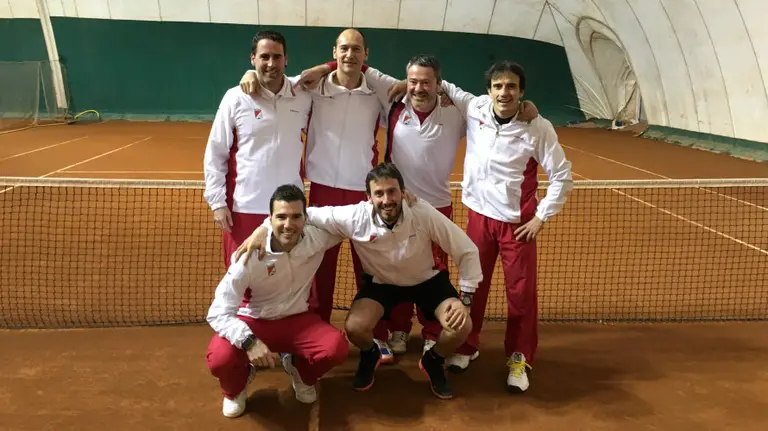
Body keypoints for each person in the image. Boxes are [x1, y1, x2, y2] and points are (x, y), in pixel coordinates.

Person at [331, 55, 538, 355]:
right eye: (413, 81)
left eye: (426, 82)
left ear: (439, 84)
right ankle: (399, 330)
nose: (418, 88)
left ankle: (431, 331)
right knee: (395, 268)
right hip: (396, 206)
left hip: (438, 206)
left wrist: (525, 106)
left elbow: (495, 108)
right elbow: (357, 62)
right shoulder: (394, 104)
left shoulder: (457, 112)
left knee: (431, 273)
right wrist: (324, 67)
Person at [235, 163, 482, 400]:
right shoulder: (355, 216)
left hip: (426, 280)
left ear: (403, 192)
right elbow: (303, 215)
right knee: (355, 327)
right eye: (379, 193)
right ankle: (370, 353)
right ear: (369, 197)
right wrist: (265, 227)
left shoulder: (423, 213)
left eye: (392, 191)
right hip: (381, 283)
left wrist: (466, 299)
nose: (387, 200)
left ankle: (434, 360)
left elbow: (467, 250)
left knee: (461, 326)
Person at [237, 28, 397, 362]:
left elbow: (406, 86)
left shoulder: (377, 93)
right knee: (318, 266)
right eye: (342, 49)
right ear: (334, 52)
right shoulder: (312, 89)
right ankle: (318, 328)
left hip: (362, 195)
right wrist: (250, 73)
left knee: (370, 267)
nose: (349, 55)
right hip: (322, 190)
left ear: (366, 54)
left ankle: (377, 334)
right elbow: (274, 79)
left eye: (356, 50)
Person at [434, 61, 574, 393]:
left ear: (521, 92)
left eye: (511, 86)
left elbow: (562, 176)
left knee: (521, 296)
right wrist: (400, 85)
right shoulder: (475, 107)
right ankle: (468, 345)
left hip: (517, 225)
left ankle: (519, 358)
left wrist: (541, 216)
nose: (504, 92)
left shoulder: (537, 128)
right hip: (478, 219)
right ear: (489, 90)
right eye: (498, 86)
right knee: (471, 289)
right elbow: (441, 84)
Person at [204, 184, 349, 418]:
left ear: (305, 218)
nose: (288, 225)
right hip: (255, 320)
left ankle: (300, 372)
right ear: (269, 219)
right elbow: (218, 312)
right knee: (220, 359)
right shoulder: (248, 255)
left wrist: (403, 204)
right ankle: (235, 388)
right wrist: (249, 341)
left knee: (336, 349)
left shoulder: (318, 239)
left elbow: (353, 220)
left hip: (297, 321)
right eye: (280, 217)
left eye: (295, 217)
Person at [203, 30, 311, 268]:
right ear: (253, 58)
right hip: (245, 206)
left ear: (286, 59)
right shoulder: (235, 98)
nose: (271, 63)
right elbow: (216, 152)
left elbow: (341, 73)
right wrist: (218, 203)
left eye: (277, 56)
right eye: (264, 57)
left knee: (284, 275)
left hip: (288, 209)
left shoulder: (303, 95)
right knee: (241, 275)